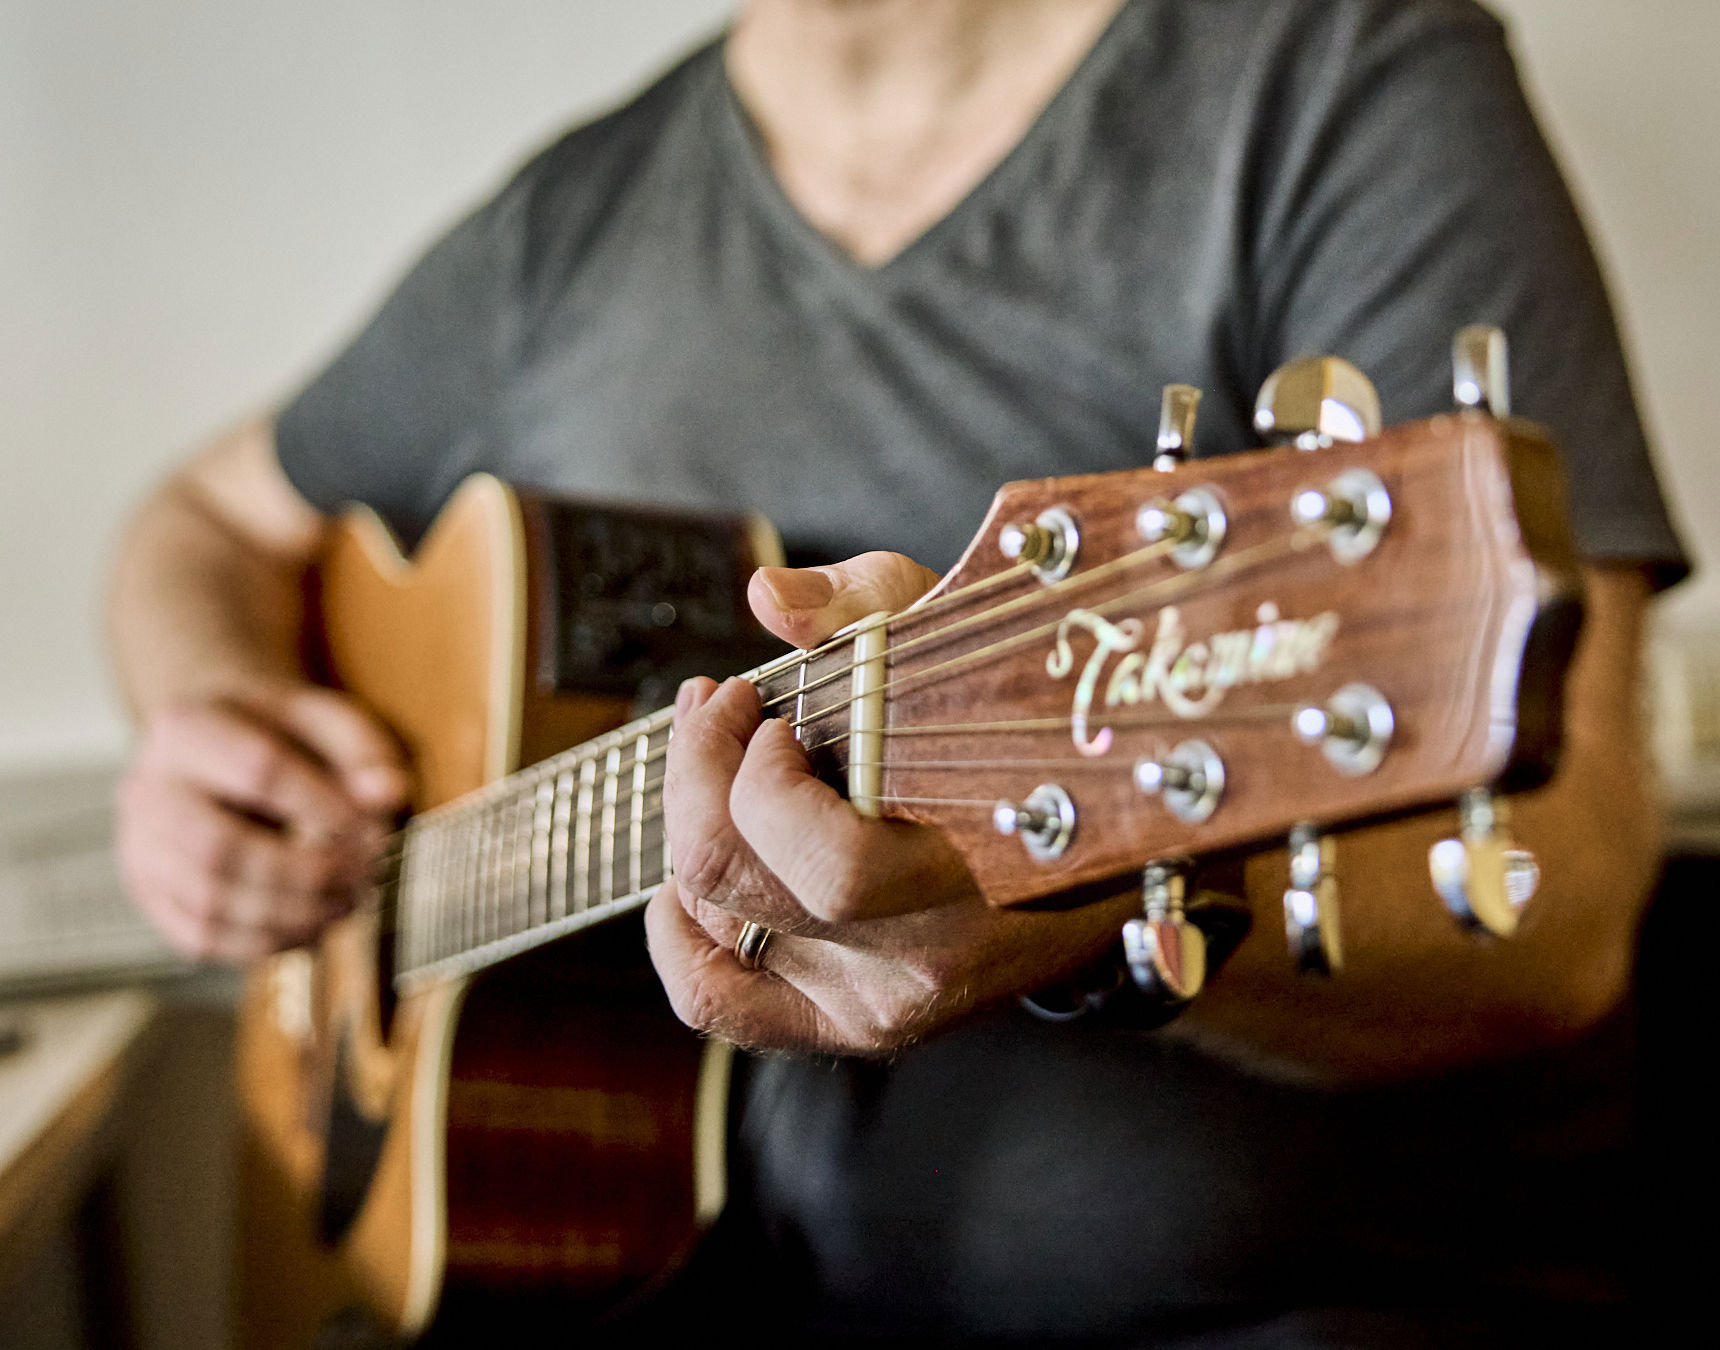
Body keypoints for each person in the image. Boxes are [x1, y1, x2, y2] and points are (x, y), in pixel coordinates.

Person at [109, 0, 1685, 1343]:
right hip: (687, 1277)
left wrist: (1084, 912)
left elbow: (1566, 887)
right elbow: (194, 525)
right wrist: (204, 716)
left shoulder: (1334, 77)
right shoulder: (567, 227)